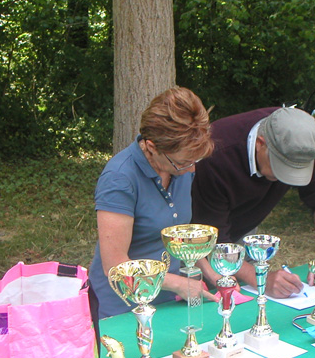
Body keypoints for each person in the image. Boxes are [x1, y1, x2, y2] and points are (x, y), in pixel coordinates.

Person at [89, 87, 218, 318]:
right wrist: (179, 284)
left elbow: (181, 236)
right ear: (151, 147)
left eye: (194, 160)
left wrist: (211, 272)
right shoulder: (119, 179)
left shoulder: (179, 165)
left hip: (167, 299)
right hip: (123, 306)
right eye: (183, 163)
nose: (191, 169)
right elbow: (116, 266)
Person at [191, 106, 315, 298]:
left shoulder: (300, 143)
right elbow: (214, 242)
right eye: (280, 169)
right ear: (260, 144)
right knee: (213, 295)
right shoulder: (216, 155)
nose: (286, 178)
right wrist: (261, 278)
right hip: (201, 238)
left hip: (241, 231)